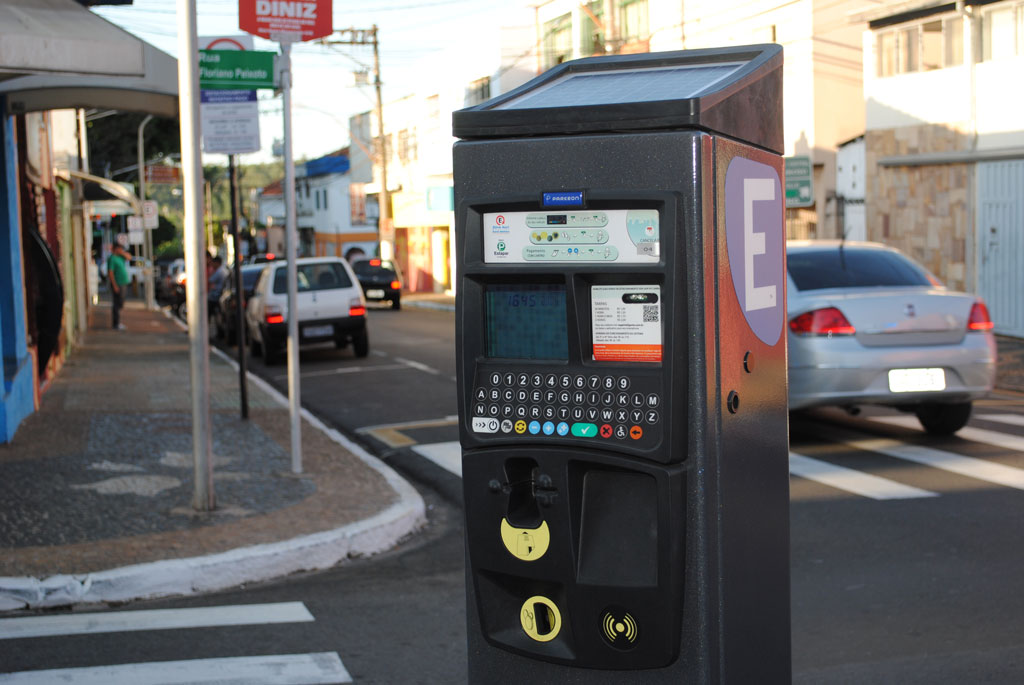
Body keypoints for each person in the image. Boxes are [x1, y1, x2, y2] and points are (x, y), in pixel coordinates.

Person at [107, 243, 131, 330]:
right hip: (118, 284)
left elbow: (129, 257)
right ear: (115, 249)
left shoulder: (120, 257)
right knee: (117, 303)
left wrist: (121, 253)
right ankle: (116, 323)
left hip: (123, 283)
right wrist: (114, 285)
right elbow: (110, 273)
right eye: (120, 248)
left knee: (121, 302)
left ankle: (117, 322)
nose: (121, 250)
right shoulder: (112, 258)